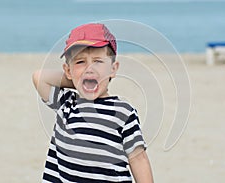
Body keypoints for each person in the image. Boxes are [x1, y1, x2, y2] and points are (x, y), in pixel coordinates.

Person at [32, 23, 154, 183]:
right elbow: (39, 77)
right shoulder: (66, 104)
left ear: (113, 69)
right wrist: (75, 81)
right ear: (67, 70)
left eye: (97, 61)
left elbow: (138, 159)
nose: (89, 69)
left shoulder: (123, 112)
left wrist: (80, 77)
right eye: (80, 62)